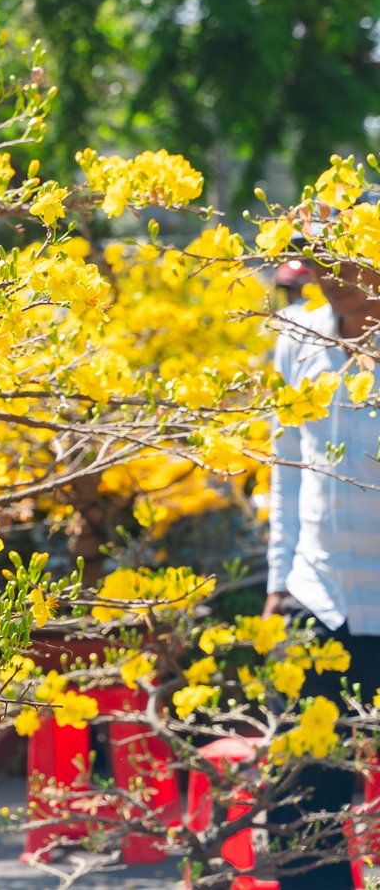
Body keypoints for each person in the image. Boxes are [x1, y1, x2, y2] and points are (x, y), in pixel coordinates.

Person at [264, 257, 380, 889]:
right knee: (303, 820)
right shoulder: (297, 339)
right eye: (324, 262)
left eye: (352, 262)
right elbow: (285, 472)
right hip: (318, 599)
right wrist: (278, 584)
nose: (333, 276)